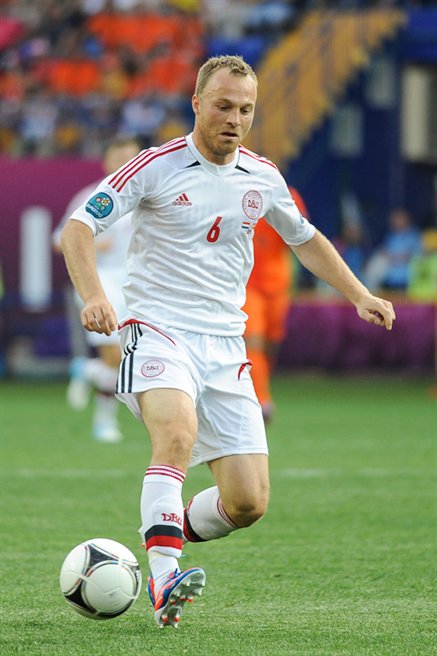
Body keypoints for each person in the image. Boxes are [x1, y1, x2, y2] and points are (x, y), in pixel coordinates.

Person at [59, 55, 395, 628]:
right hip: (157, 329)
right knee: (176, 435)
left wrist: (359, 293)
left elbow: (306, 239)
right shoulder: (156, 166)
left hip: (225, 347)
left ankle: (161, 530)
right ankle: (165, 578)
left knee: (247, 503)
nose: (234, 119)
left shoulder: (261, 177)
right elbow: (79, 228)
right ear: (196, 103)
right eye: (223, 106)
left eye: (245, 109)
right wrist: (94, 294)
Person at [53, 136, 141, 442]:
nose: (124, 163)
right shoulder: (91, 196)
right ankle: (104, 422)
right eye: (119, 157)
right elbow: (59, 238)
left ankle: (86, 370)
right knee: (115, 355)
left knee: (132, 358)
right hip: (98, 280)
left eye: (131, 157)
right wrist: (90, 241)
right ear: (106, 161)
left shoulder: (148, 195)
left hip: (138, 284)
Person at [243, 186, 309, 423]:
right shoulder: (234, 189)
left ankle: (259, 386)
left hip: (278, 284)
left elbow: (299, 234)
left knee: (271, 344)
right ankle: (261, 400)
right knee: (253, 340)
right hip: (247, 283)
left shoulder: (287, 194)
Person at [364, 207, 422, 291]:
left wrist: (395, 256)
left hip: (407, 279)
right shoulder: (390, 236)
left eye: (398, 218)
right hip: (390, 279)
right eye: (394, 219)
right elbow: (385, 253)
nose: (395, 221)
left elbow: (414, 255)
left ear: (406, 219)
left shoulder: (413, 236)